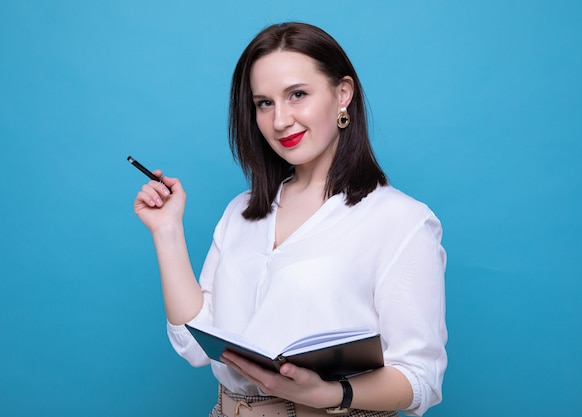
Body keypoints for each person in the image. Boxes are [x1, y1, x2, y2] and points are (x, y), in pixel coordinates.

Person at [133, 22, 447, 417]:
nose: (280, 120)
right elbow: (194, 344)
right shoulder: (242, 211)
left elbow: (420, 378)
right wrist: (167, 231)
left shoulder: (401, 220)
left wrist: (331, 393)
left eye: (297, 95)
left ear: (342, 95)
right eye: (264, 103)